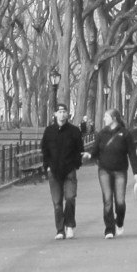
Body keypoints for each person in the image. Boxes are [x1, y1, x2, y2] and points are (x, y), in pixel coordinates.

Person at [92, 108, 137, 238]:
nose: (104, 119)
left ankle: (119, 221)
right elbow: (94, 151)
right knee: (107, 199)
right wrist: (91, 157)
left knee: (120, 201)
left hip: (120, 171)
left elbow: (132, 154)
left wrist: (136, 173)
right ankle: (109, 229)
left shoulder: (125, 134)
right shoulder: (102, 134)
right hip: (104, 171)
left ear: (114, 119)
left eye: (106, 117)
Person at [41, 103, 84, 240]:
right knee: (57, 202)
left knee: (70, 198)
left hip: (69, 170)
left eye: (64, 111)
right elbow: (45, 150)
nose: (62, 114)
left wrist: (76, 164)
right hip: (54, 171)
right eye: (59, 112)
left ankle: (69, 225)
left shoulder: (74, 131)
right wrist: (47, 166)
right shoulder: (49, 131)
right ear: (55, 114)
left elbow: (79, 150)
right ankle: (60, 229)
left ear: (67, 114)